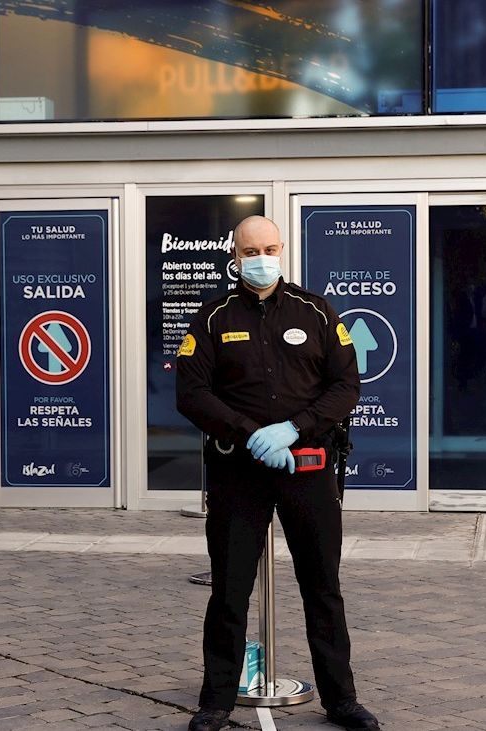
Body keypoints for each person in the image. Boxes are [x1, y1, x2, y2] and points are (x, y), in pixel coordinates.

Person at [176, 215, 381, 731]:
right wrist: (250, 433)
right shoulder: (212, 317)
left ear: (282, 249)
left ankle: (341, 699)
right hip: (237, 473)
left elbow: (346, 386)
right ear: (235, 256)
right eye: (251, 251)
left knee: (323, 587)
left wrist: (294, 429)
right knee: (229, 590)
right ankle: (216, 702)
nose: (261, 259)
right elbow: (192, 393)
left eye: (269, 249)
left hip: (306, 468)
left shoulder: (315, 311)